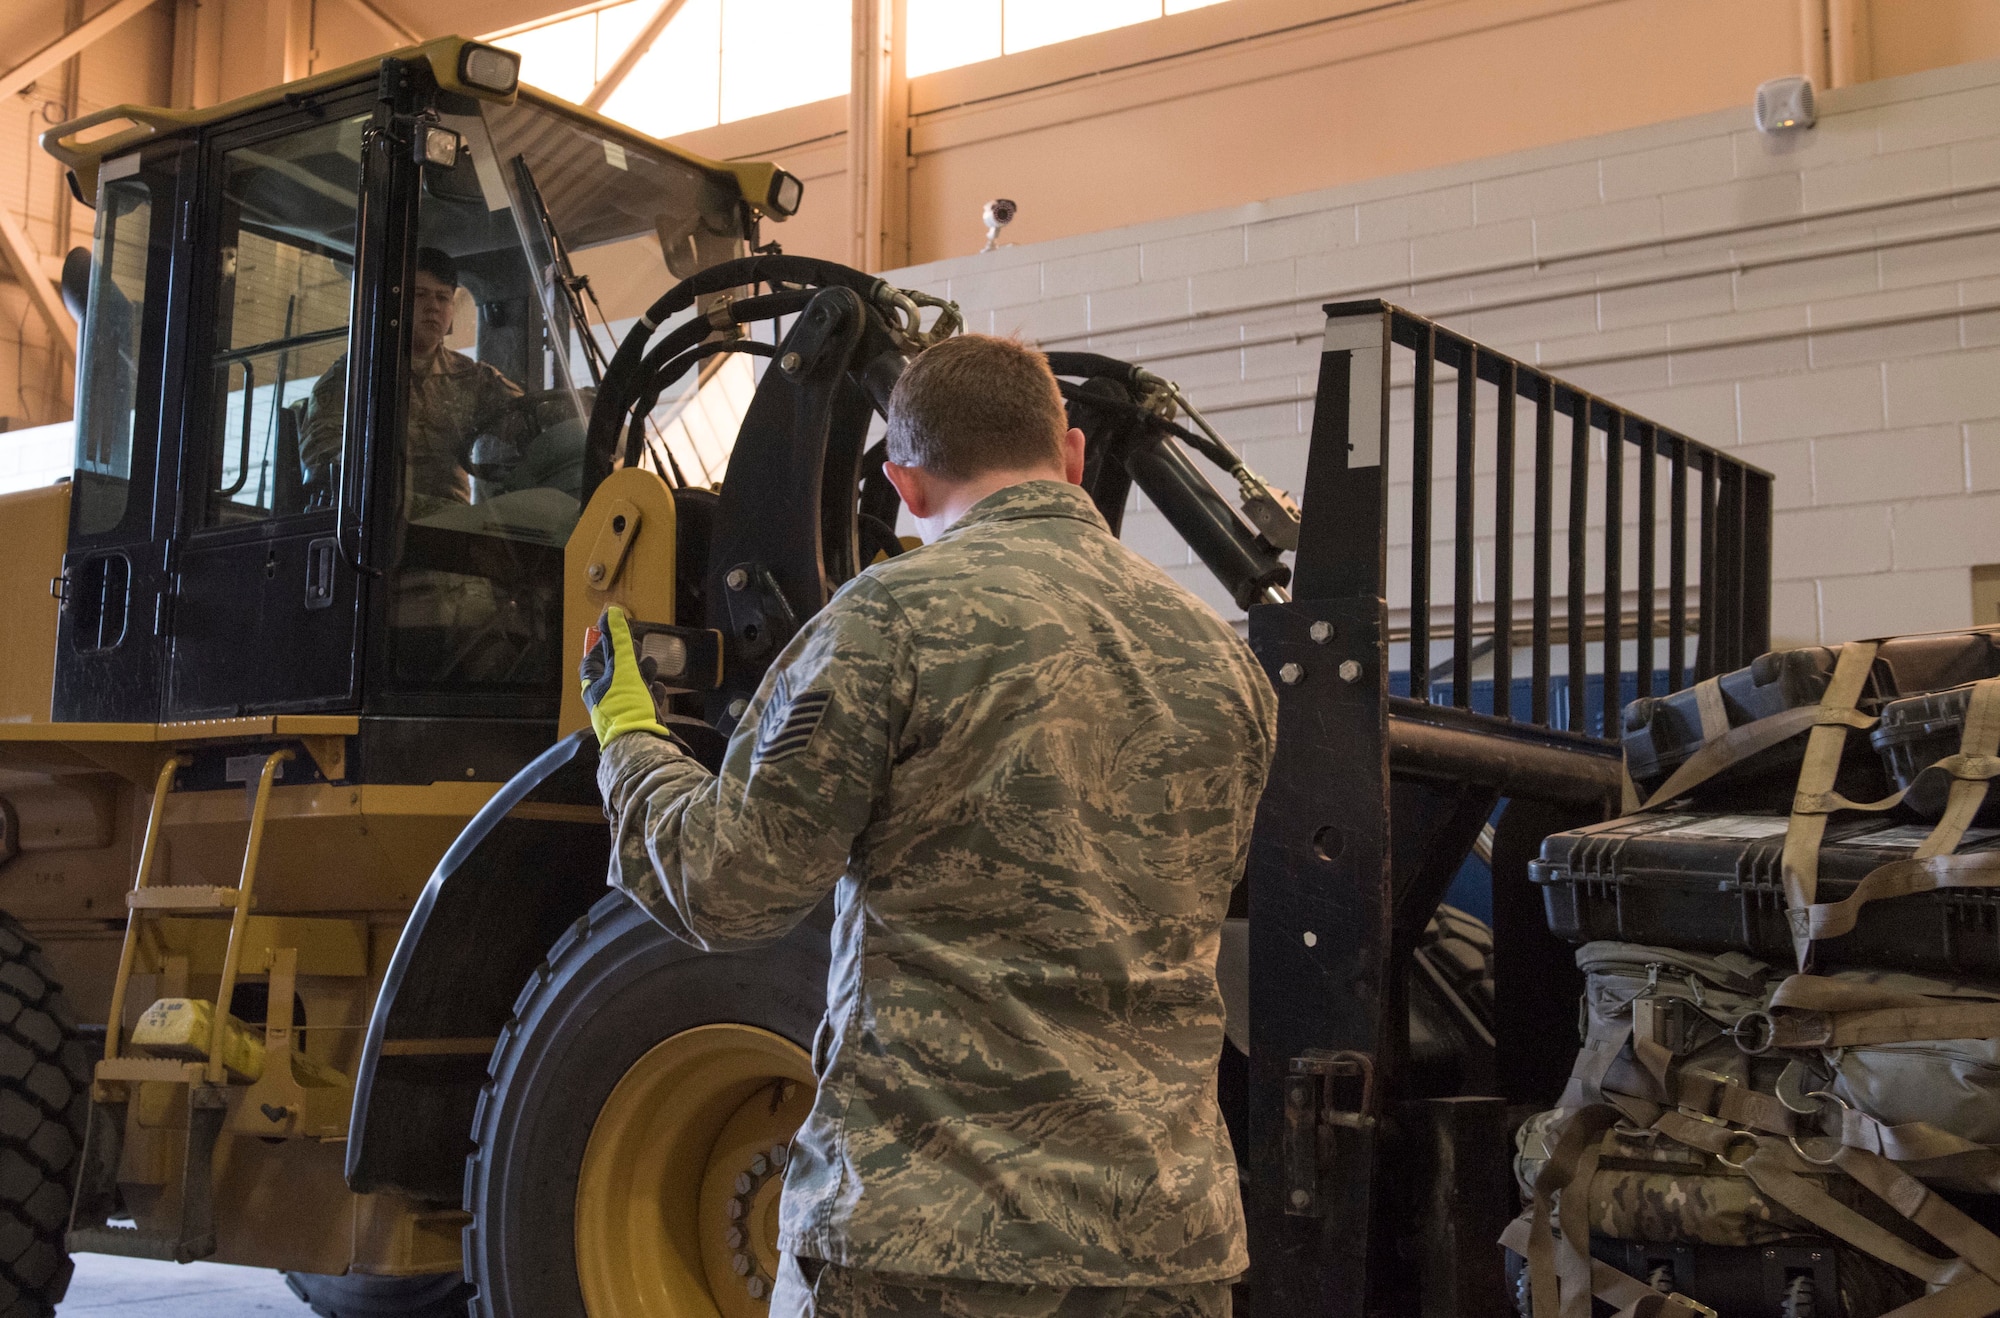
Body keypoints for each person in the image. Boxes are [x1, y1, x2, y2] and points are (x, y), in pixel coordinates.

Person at [582, 334, 1278, 1318]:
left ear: (903, 486)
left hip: (930, 1246)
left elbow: (726, 886)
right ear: (1071, 455)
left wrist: (626, 737)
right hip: (1164, 1249)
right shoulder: (1221, 661)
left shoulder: (888, 623)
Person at [300, 245, 520, 517]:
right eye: (420, 295)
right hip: (379, 529)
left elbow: (527, 419)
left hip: (455, 530)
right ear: (394, 302)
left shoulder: (475, 379)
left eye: (444, 298)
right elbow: (328, 465)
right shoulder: (352, 379)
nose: (434, 307)